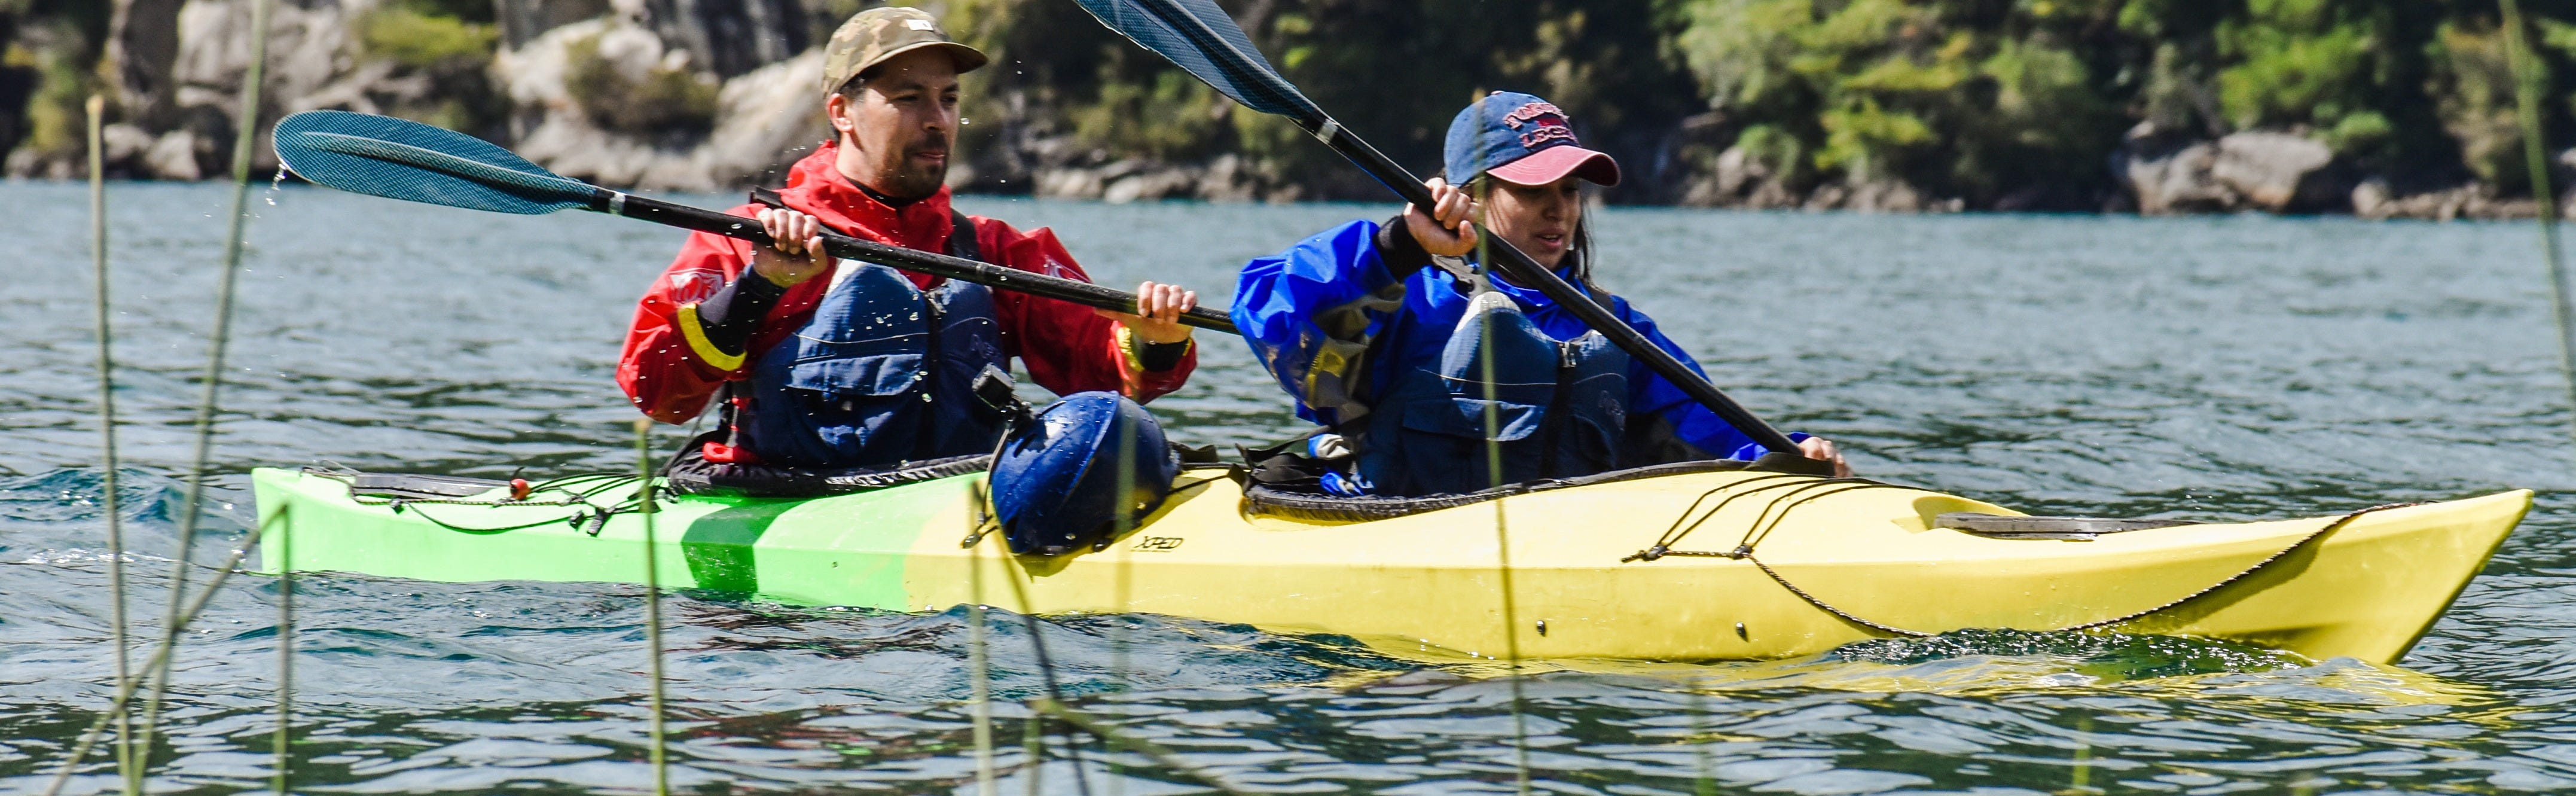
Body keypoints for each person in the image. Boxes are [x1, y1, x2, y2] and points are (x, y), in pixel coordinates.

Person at [620, 7, 1199, 479]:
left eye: (948, 99)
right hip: (788, 511)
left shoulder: (990, 249)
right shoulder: (751, 239)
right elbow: (653, 388)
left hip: (950, 508)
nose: (937, 120)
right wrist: (758, 287)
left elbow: (1104, 370)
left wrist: (1156, 342)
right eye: (909, 99)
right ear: (842, 112)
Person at [1228, 91, 1846, 496]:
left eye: (1570, 190)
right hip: (1399, 526)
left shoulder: (1608, 323)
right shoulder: (1408, 294)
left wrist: (1783, 457)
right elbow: (1269, 314)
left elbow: (1701, 426)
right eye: (1531, 191)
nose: (1558, 212)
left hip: (1558, 545)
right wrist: (1398, 246)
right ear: (1468, 194)